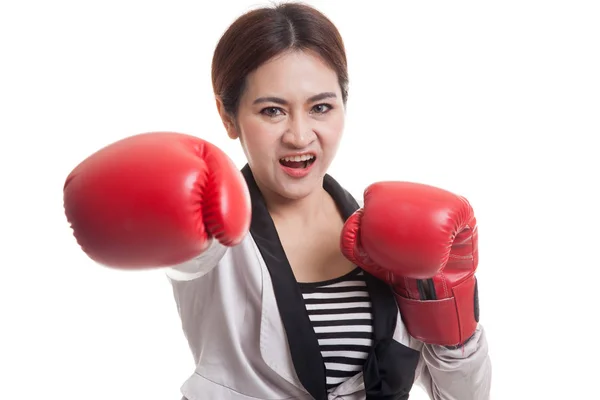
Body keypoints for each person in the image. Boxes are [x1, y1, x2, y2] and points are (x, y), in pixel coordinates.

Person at [63, 2, 492, 399]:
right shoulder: (213, 233)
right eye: (272, 110)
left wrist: (452, 311)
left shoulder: (388, 233)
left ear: (345, 104)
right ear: (228, 116)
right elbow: (182, 251)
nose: (300, 136)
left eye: (321, 107)